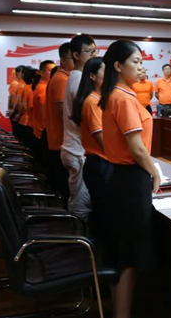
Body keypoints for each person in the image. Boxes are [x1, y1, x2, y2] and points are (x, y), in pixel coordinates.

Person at [99, 40, 160, 318]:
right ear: (118, 66)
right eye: (135, 62)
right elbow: (136, 148)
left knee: (123, 252)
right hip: (130, 181)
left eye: (141, 62)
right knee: (128, 256)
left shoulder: (117, 94)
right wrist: (154, 171)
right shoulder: (122, 98)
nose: (140, 67)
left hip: (121, 178)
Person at [70, 57, 112, 243]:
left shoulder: (99, 100)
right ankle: (99, 253)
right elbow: (103, 141)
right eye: (105, 71)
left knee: (103, 212)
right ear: (92, 76)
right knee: (104, 214)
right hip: (100, 164)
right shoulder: (93, 102)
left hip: (101, 163)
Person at [61, 34, 97, 222]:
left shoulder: (78, 78)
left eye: (95, 51)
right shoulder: (78, 80)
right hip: (77, 148)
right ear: (75, 55)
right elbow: (86, 117)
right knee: (81, 198)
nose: (93, 55)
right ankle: (77, 231)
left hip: (75, 146)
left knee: (80, 194)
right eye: (89, 51)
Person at [46, 43, 74, 196]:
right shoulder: (61, 79)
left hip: (60, 140)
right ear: (63, 59)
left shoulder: (64, 78)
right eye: (72, 58)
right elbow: (63, 113)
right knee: (64, 185)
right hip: (61, 140)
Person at [32, 60, 55, 163]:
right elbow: (44, 114)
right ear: (41, 73)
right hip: (43, 132)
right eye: (50, 70)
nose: (53, 73)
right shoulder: (43, 89)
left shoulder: (42, 86)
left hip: (39, 131)